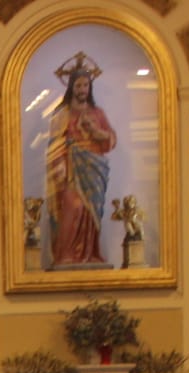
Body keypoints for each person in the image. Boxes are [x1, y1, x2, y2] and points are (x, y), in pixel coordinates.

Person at [44, 56, 116, 267]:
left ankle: (90, 253)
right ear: (71, 88)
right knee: (72, 206)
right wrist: (61, 165)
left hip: (94, 169)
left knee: (91, 213)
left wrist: (96, 131)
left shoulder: (97, 113)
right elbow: (54, 145)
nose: (82, 89)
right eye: (78, 85)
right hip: (72, 169)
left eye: (86, 85)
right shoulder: (63, 114)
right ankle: (66, 254)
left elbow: (110, 140)